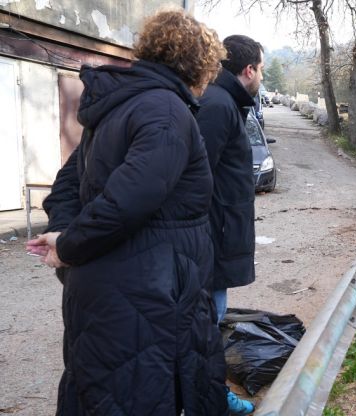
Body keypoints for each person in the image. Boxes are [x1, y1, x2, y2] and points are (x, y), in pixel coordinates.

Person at [26, 9, 229, 415]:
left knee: (103, 395)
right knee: (136, 396)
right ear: (199, 64)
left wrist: (67, 237)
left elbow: (67, 185)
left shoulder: (123, 105)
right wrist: (67, 246)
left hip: (112, 289)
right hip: (146, 297)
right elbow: (128, 200)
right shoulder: (166, 111)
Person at [195, 34, 264, 415]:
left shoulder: (225, 102)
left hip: (218, 235)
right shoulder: (218, 105)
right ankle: (211, 399)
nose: (262, 77)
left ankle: (210, 396)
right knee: (207, 327)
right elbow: (195, 177)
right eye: (261, 69)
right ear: (248, 70)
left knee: (211, 323)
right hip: (211, 240)